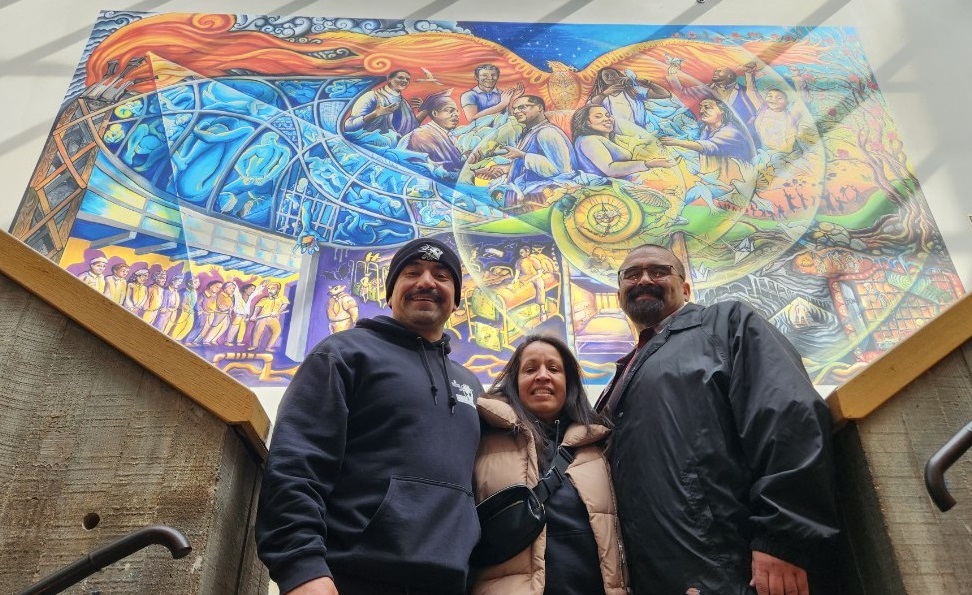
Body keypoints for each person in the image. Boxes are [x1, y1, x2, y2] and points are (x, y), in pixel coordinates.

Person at [596, 243, 840, 595]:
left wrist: (783, 538)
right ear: (619, 294)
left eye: (659, 271)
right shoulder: (625, 370)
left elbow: (788, 415)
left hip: (732, 569)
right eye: (631, 274)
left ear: (686, 288)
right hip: (655, 574)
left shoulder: (725, 323)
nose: (644, 279)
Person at [256, 237, 484, 595]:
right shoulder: (343, 354)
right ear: (390, 294)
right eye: (412, 272)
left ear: (456, 300)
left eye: (442, 275)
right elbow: (297, 463)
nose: (427, 281)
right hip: (348, 580)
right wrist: (301, 567)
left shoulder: (471, 384)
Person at [472, 335, 626, 595]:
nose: (542, 376)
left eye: (554, 369)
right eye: (530, 369)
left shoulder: (599, 445)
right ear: (514, 382)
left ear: (569, 383)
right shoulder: (480, 436)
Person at [476, 95, 575, 206]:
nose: (516, 112)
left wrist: (523, 156)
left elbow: (562, 171)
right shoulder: (531, 131)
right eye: (514, 109)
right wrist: (507, 169)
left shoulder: (547, 133)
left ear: (540, 108)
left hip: (541, 197)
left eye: (522, 107)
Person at [571, 105, 673, 178]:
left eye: (607, 115)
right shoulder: (589, 141)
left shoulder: (606, 138)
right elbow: (610, 170)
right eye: (598, 116)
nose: (606, 119)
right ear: (587, 122)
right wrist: (648, 164)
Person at [401, 90, 466, 176]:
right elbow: (444, 167)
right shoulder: (422, 135)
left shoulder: (450, 136)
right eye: (450, 111)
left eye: (456, 111)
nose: (456, 114)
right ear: (435, 113)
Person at [344, 69, 420, 137]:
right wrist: (375, 114)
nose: (405, 81)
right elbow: (349, 126)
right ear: (389, 79)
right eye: (400, 78)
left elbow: (412, 127)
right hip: (368, 142)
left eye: (407, 79)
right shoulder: (371, 96)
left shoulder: (403, 102)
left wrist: (425, 108)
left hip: (394, 145)